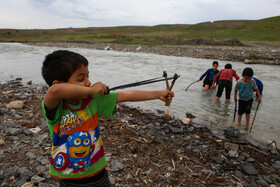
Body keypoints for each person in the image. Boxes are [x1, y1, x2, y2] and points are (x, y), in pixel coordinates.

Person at [41, 50, 174, 186]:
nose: (88, 82)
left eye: (88, 76)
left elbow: (127, 95)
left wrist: (158, 94)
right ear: (58, 83)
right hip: (68, 177)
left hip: (98, 172)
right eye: (81, 79)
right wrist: (91, 90)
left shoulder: (92, 101)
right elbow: (54, 91)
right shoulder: (56, 107)